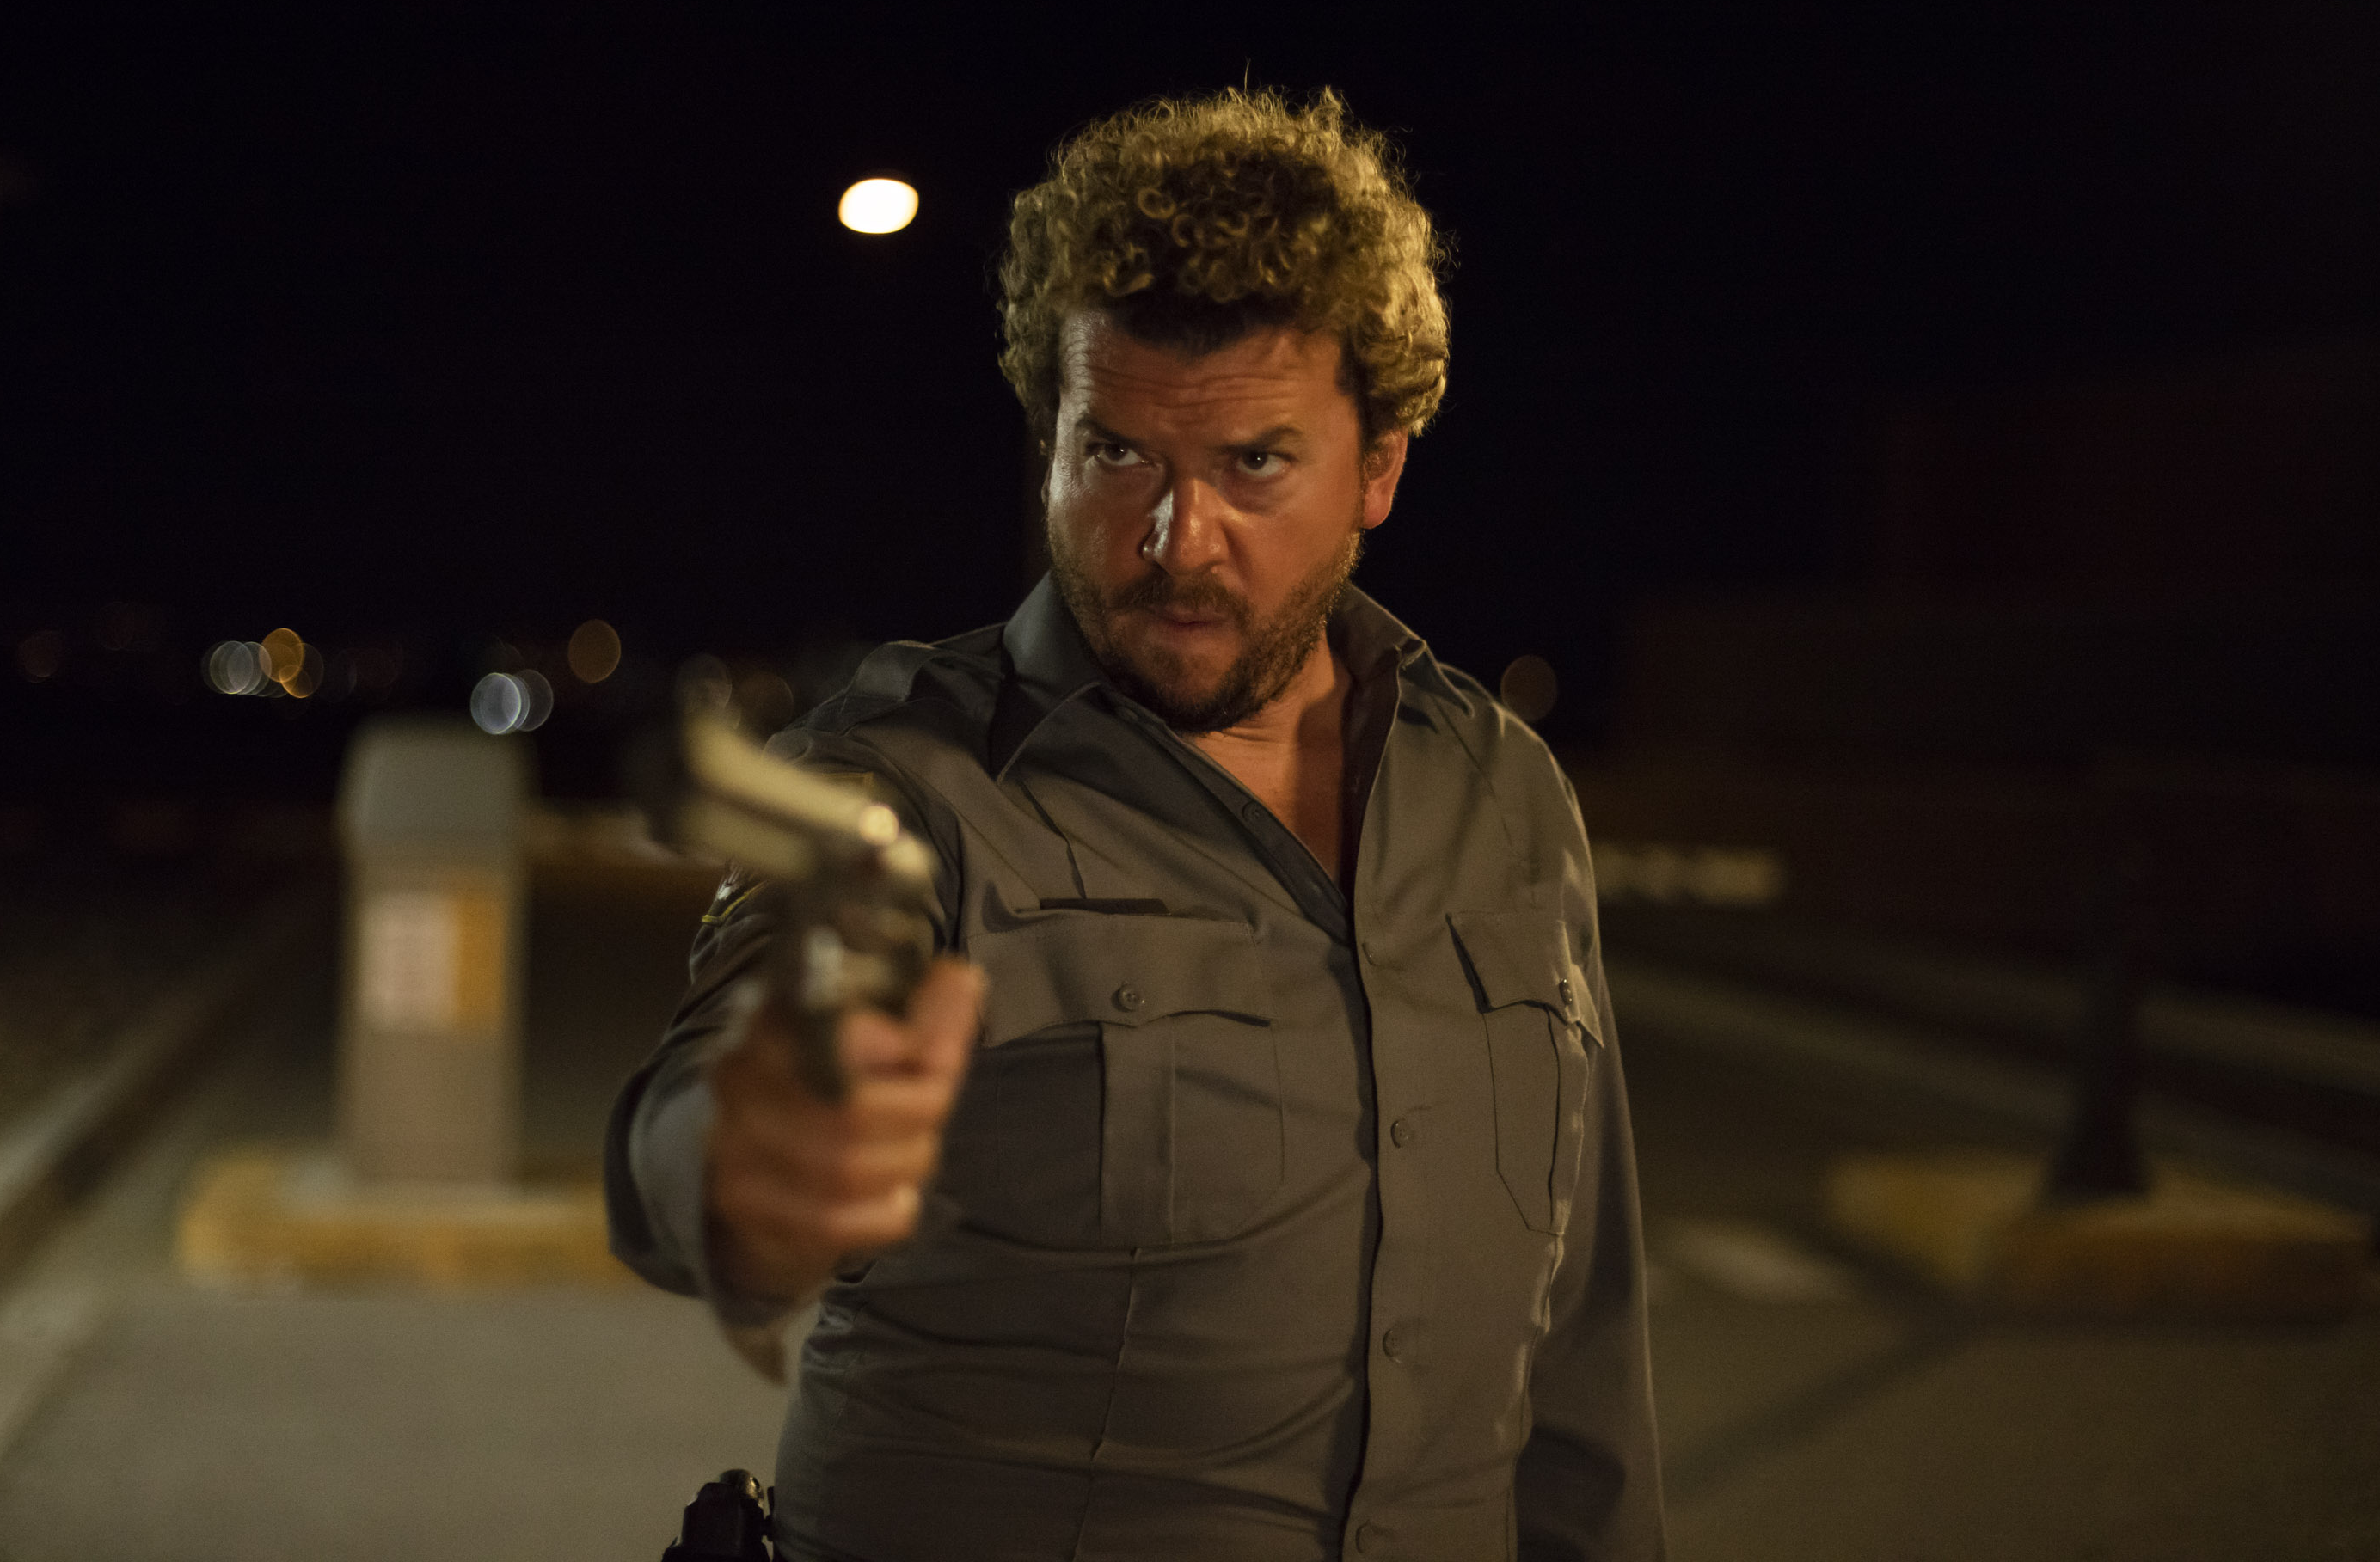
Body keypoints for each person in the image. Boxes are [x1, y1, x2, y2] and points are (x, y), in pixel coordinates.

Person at [607, 89, 1663, 1561]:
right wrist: (738, 1165)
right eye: (1117, 456)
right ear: (1048, 439)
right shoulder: (906, 775)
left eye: (1254, 465)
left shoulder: (1505, 796)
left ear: (1381, 465)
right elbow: (703, 1099)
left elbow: (1584, 1357)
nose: (1176, 541)